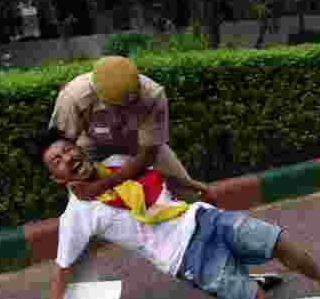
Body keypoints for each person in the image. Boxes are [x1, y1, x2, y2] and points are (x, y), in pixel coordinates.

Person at [27, 127, 320, 299]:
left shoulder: (115, 165)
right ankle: (246, 277)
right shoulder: (76, 215)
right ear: (56, 177)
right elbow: (62, 269)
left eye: (67, 149)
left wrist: (193, 186)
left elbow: (153, 174)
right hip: (185, 259)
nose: (67, 158)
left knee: (276, 241)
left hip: (200, 218)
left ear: (78, 150)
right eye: (57, 160)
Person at [49, 55, 218, 204]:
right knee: (81, 199)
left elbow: (148, 155)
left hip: (137, 143)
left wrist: (103, 184)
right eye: (116, 107)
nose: (121, 116)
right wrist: (85, 184)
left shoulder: (153, 95)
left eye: (131, 106)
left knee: (187, 192)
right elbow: (59, 147)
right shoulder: (73, 97)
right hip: (91, 143)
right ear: (97, 94)